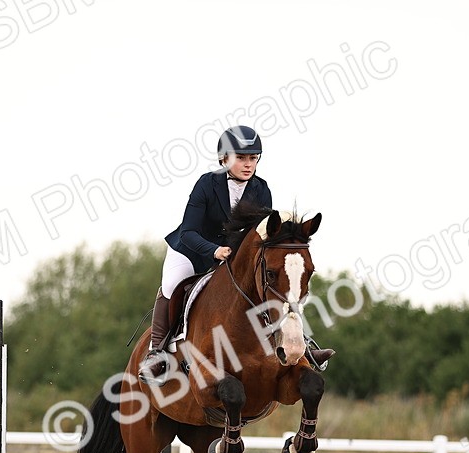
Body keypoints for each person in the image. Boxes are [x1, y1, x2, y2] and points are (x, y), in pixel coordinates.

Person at [138, 125, 333, 385]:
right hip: (192, 251)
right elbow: (188, 232)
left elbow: (264, 234)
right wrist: (213, 250)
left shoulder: (261, 189)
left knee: (279, 285)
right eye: (241, 158)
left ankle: (302, 343)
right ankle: (157, 352)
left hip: (231, 257)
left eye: (253, 158)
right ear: (224, 159)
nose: (248, 164)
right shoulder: (207, 185)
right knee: (172, 286)